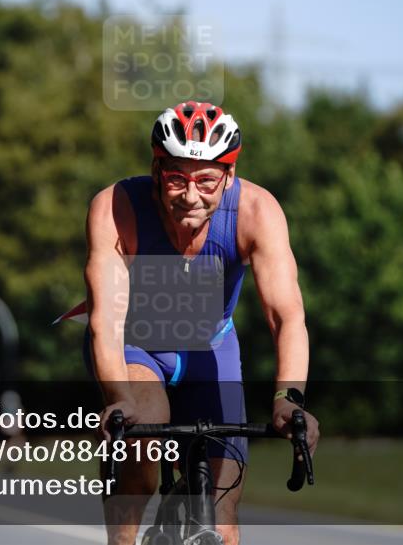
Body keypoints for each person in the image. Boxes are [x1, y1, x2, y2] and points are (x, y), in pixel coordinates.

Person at [81, 101, 320, 545]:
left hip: (212, 348)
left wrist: (289, 399)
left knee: (224, 515)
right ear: (156, 170)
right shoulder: (115, 207)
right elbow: (106, 322)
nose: (191, 195)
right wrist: (118, 397)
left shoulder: (257, 211)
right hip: (137, 345)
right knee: (141, 445)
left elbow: (286, 317)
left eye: (207, 180)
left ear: (228, 177)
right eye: (176, 177)